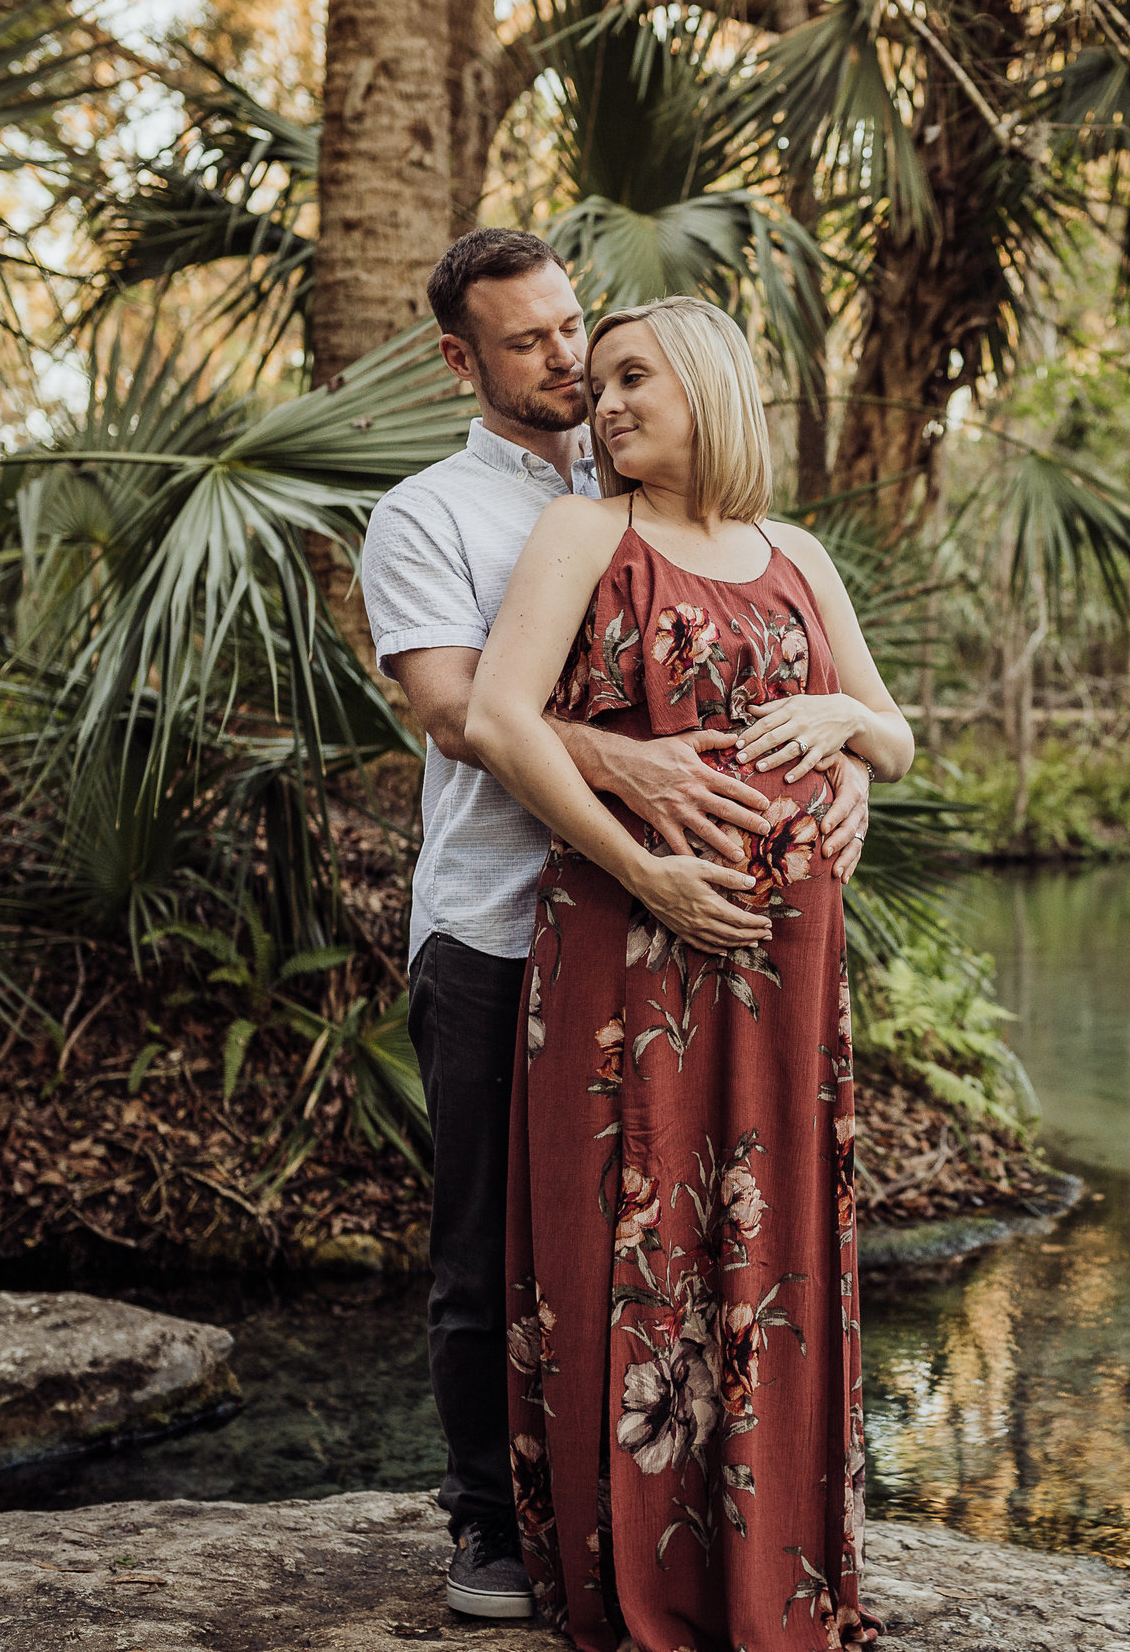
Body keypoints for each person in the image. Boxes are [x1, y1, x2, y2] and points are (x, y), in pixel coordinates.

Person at [360, 235, 874, 1621]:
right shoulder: (432, 516)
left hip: (700, 938)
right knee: (497, 1241)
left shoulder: (652, 481)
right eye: (527, 343)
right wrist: (631, 769)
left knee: (696, 1222)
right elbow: (468, 715)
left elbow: (831, 687)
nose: (569, 360)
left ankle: (703, 1517)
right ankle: (492, 1522)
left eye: (575, 329)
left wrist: (851, 770)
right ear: (464, 362)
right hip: (500, 920)